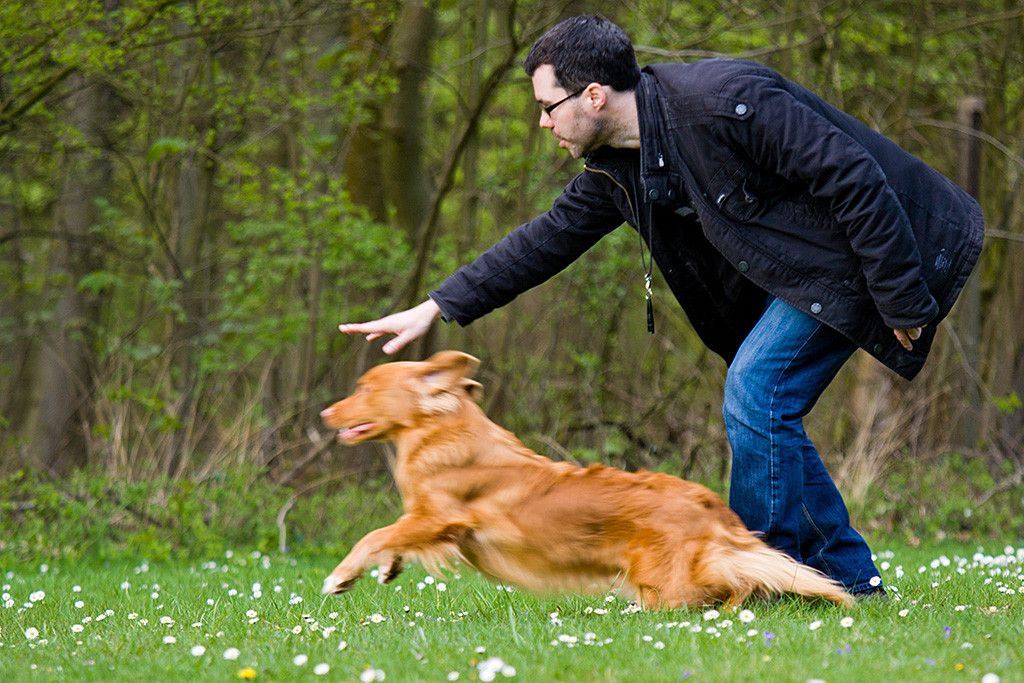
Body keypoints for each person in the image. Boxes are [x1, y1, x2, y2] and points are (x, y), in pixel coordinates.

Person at [339, 15, 984, 598]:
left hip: (896, 247)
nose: (543, 123)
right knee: (766, 403)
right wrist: (436, 306)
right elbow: (542, 242)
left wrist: (902, 295)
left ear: (593, 95)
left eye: (546, 107)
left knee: (757, 392)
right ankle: (846, 577)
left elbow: (854, 176)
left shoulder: (725, 101)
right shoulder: (617, 168)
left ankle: (761, 573)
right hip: (819, 267)